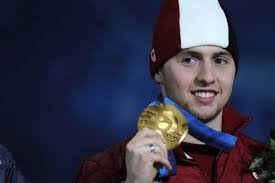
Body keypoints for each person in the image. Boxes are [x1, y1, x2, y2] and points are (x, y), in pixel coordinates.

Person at [77, 0, 266, 182]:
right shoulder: (103, 169)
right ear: (159, 71)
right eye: (189, 60)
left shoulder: (266, 164)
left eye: (220, 60)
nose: (207, 77)